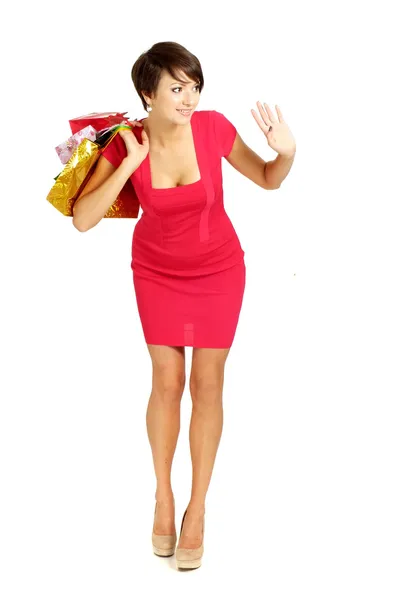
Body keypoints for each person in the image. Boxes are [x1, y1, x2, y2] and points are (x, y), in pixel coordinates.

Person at [72, 41, 296, 570]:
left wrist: (284, 154)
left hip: (219, 269)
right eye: (176, 87)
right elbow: (83, 219)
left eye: (193, 86)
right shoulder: (125, 142)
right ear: (147, 93)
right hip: (156, 271)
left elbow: (266, 179)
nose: (189, 96)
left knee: (208, 383)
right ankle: (163, 498)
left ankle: (197, 508)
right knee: (167, 381)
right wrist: (129, 164)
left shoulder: (214, 127)